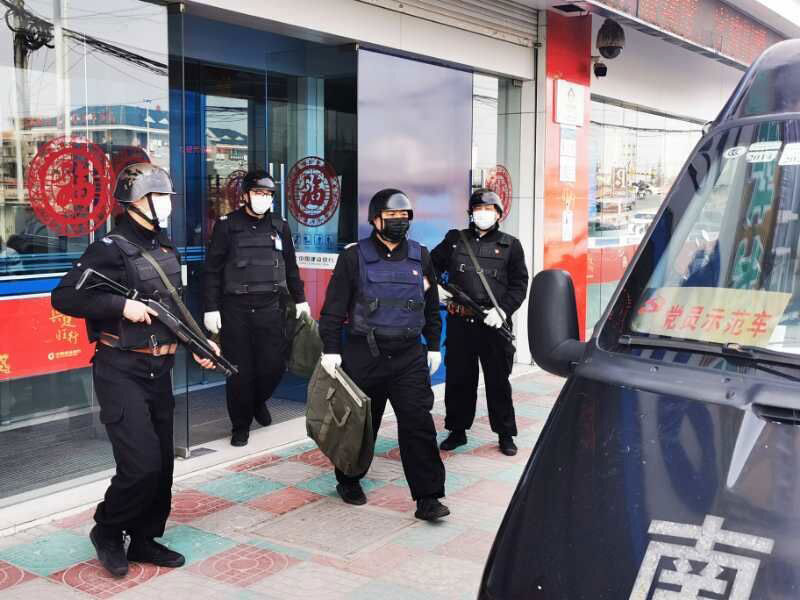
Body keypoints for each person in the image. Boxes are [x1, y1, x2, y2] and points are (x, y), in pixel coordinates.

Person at [51, 163, 220, 578]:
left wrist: (199, 344)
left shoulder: (164, 246)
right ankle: (108, 529)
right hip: (120, 369)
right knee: (140, 463)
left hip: (159, 369)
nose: (166, 205)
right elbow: (64, 297)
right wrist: (120, 305)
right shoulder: (109, 248)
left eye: (166, 198)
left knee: (162, 465)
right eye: (158, 197)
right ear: (136, 202)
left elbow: (172, 310)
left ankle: (145, 537)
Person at [318, 188, 449, 521]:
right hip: (365, 353)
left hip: (408, 355)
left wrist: (434, 344)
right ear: (375, 219)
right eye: (391, 217)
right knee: (361, 426)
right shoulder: (353, 257)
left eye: (404, 217)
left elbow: (431, 306)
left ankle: (428, 497)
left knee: (419, 424)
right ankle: (348, 479)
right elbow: (333, 308)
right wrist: (331, 349)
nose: (398, 222)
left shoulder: (420, 256)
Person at [203, 170, 309, 447]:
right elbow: (212, 271)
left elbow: (291, 266)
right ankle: (240, 426)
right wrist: (211, 308)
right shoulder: (227, 226)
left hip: (270, 308)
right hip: (235, 309)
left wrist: (300, 299)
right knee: (239, 372)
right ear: (246, 195)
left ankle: (258, 400)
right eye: (258, 193)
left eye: (268, 194)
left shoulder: (279, 225)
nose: (263, 198)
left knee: (273, 367)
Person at [431, 189, 529, 456]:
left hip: (493, 325)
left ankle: (505, 434)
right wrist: (435, 288)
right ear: (471, 213)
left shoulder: (511, 245)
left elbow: (519, 285)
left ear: (498, 214)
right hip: (461, 323)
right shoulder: (455, 240)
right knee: (459, 379)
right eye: (478, 209)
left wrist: (503, 311)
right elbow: (430, 266)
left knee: (498, 381)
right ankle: (457, 430)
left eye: (489, 209)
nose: (483, 214)